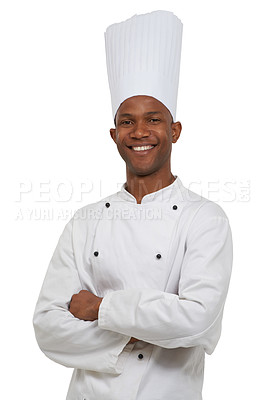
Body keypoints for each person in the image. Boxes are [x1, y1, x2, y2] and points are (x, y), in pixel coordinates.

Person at [33, 10, 233, 400]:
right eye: (127, 122)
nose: (140, 132)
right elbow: (46, 326)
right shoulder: (85, 220)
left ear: (174, 130)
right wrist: (146, 332)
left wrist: (99, 308)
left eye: (153, 119)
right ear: (114, 134)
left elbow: (199, 321)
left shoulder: (205, 219)